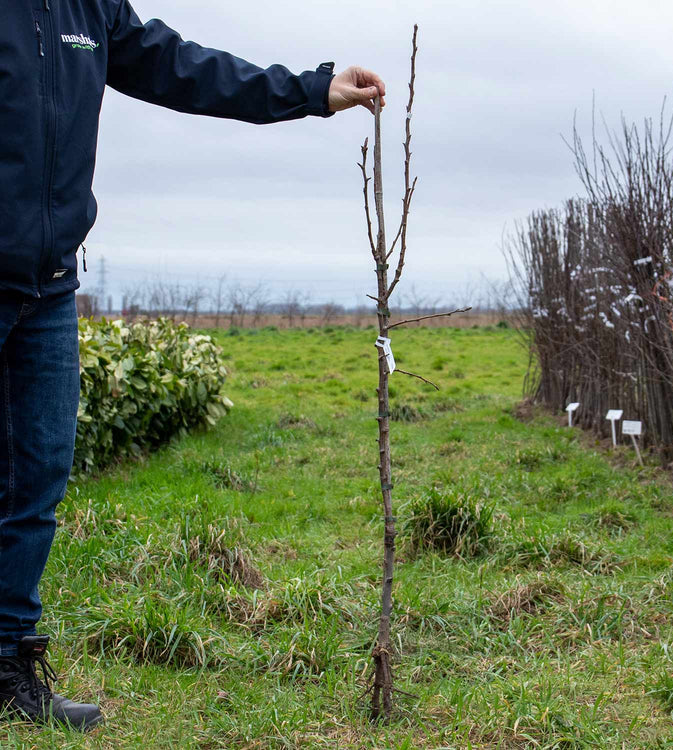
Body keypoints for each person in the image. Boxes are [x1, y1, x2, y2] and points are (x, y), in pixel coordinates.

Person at [0, 0, 385, 732]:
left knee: (36, 483)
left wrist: (311, 90)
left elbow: (184, 68)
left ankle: (7, 667)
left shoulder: (89, 8)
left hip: (47, 287)